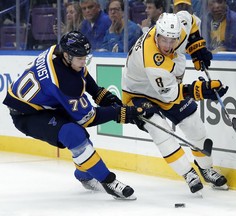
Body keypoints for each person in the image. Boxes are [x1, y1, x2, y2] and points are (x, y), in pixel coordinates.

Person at [2, 31, 145, 200]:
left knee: (78, 136)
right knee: (74, 134)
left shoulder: (60, 52)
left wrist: (104, 96)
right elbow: (88, 118)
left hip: (44, 102)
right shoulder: (64, 82)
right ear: (68, 56)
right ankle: (108, 182)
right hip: (27, 114)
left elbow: (82, 76)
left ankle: (84, 175)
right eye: (80, 59)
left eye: (85, 57)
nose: (84, 62)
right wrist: (122, 113)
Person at [122, 12, 229, 194]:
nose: (169, 45)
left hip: (166, 86)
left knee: (194, 125)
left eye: (173, 40)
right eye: (164, 40)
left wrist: (196, 45)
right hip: (138, 93)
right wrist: (200, 90)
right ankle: (188, 173)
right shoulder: (153, 61)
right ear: (156, 34)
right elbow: (171, 95)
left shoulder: (180, 25)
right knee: (160, 129)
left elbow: (192, 19)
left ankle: (206, 168)